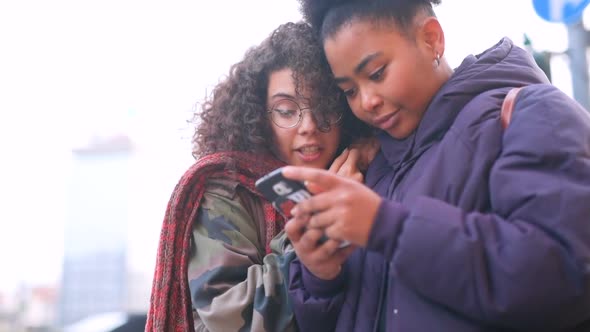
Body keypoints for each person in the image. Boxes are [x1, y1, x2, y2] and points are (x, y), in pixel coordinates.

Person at [283, 1, 590, 331]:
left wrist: (387, 227)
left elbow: (562, 278)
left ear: (432, 39)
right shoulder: (373, 168)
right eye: (349, 90)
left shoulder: (532, 115)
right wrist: (321, 278)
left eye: (376, 74)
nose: (366, 101)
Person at [145, 21, 372, 332]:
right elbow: (233, 318)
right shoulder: (226, 190)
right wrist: (313, 215)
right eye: (286, 110)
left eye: (323, 107)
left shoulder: (364, 174)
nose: (308, 125)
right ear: (258, 117)